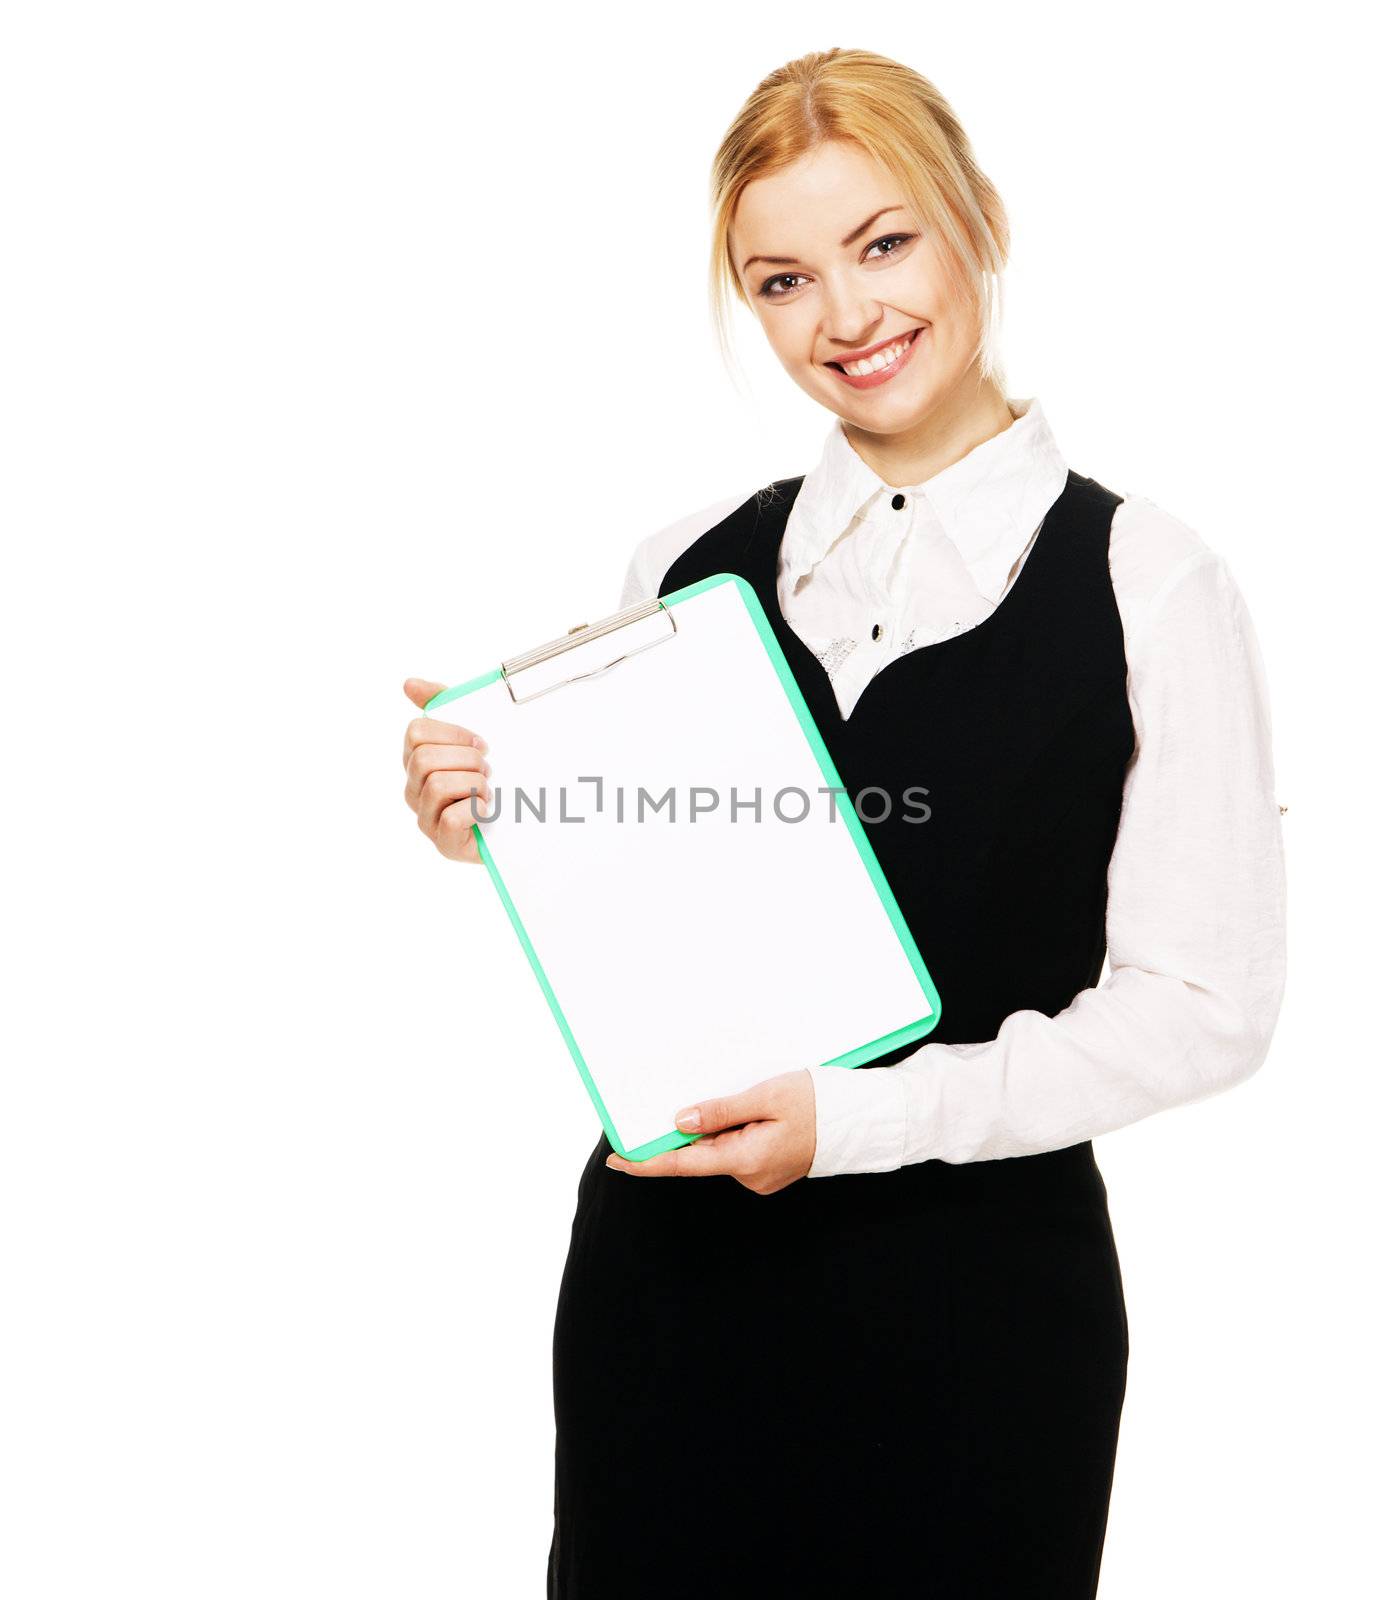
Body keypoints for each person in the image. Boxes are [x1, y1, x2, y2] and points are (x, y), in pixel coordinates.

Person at [400, 47, 1287, 1600]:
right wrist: (496, 821)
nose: (846, 317)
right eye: (782, 279)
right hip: (665, 1300)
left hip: (976, 1324)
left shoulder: (1150, 581)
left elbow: (1206, 1010)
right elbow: (662, 918)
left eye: (884, 244)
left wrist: (865, 1120)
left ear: (976, 223)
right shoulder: (685, 567)